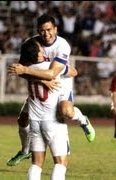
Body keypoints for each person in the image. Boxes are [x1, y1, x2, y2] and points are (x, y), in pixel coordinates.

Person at [7, 14, 95, 166]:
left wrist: (42, 76)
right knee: (22, 120)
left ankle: (82, 119)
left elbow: (53, 74)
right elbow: (21, 72)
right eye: (42, 30)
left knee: (66, 112)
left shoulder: (62, 45)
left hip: (60, 82)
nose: (46, 34)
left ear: (55, 29)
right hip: (41, 84)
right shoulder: (32, 44)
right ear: (37, 30)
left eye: (49, 30)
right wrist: (41, 80)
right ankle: (25, 150)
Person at [19, 38, 75, 180]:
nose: (43, 48)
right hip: (53, 121)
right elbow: (73, 72)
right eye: (40, 48)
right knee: (61, 163)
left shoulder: (28, 70)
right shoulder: (50, 67)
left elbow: (22, 71)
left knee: (37, 163)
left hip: (35, 121)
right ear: (38, 54)